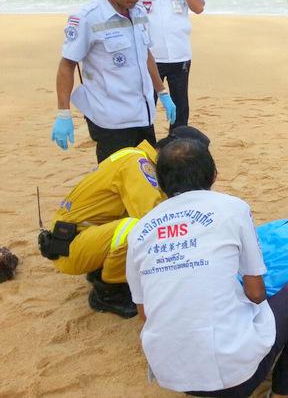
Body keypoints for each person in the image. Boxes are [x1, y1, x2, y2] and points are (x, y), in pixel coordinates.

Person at [126, 139, 288, 397]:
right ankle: (286, 389)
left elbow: (145, 312)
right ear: (213, 174)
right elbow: (256, 293)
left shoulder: (138, 231)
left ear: (161, 183)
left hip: (175, 376)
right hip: (238, 378)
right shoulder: (232, 208)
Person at [38, 126, 210, 318]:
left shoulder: (137, 156)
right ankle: (109, 291)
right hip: (71, 248)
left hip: (76, 238)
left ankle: (101, 269)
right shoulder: (139, 165)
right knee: (139, 228)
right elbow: (153, 217)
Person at [51, 0, 177, 163]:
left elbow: (145, 53)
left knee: (148, 179)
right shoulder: (88, 18)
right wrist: (63, 113)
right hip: (112, 123)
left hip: (143, 115)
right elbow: (67, 65)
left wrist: (162, 92)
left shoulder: (138, 11)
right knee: (117, 187)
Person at [144, 0, 205, 131]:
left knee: (180, 109)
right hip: (150, 57)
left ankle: (176, 152)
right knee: (147, 108)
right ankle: (147, 151)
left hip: (180, 56)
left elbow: (198, 8)